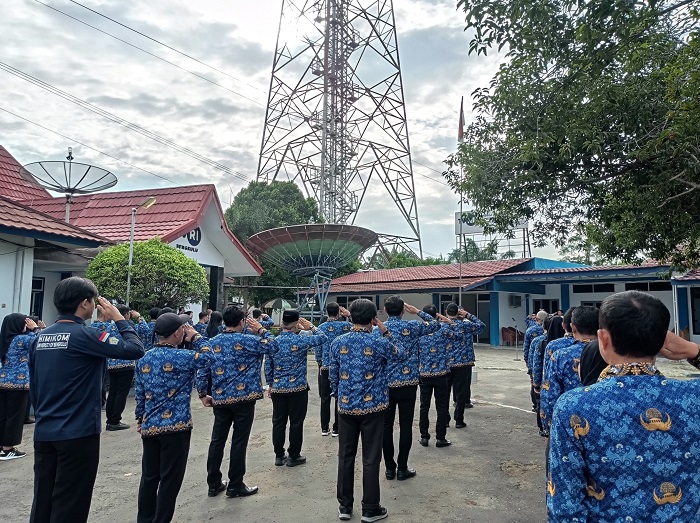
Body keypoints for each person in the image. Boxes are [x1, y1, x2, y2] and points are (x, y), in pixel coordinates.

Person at [547, 291, 700, 521]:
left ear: (603, 339)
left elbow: (566, 505)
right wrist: (694, 351)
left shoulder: (573, 407)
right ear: (662, 341)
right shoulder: (693, 395)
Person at [29, 277, 144, 523]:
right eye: (93, 301)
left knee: (43, 499)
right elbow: (134, 349)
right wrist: (120, 318)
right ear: (85, 303)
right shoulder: (87, 335)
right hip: (78, 432)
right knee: (71, 501)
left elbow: (35, 386)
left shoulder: (39, 338)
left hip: (45, 430)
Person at [329, 298, 405, 522]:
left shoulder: (338, 342)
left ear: (351, 316)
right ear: (373, 318)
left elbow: (333, 374)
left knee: (345, 456)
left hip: (346, 407)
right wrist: (385, 331)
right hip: (373, 407)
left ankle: (344, 506)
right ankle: (370, 508)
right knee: (371, 458)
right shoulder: (378, 342)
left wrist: (340, 395)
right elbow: (401, 354)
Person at [135, 313, 213, 523]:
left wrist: (140, 420)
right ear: (178, 332)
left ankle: (144, 519)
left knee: (149, 478)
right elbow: (209, 357)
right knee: (170, 480)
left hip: (150, 427)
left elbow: (140, 395)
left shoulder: (144, 359)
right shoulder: (183, 358)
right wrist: (196, 337)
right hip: (176, 427)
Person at [195, 306, 277, 499]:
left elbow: (203, 369)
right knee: (239, 441)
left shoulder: (212, 343)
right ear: (242, 322)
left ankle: (213, 484)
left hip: (220, 398)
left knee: (217, 440)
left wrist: (202, 393)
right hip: (244, 398)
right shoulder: (250, 340)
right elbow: (273, 346)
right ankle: (235, 484)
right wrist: (261, 329)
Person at [381, 295, 440, 481]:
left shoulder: (378, 330)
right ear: (403, 310)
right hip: (408, 383)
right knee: (406, 426)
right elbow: (435, 324)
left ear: (384, 310)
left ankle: (390, 468)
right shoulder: (413, 326)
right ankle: (402, 468)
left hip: (385, 385)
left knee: (386, 427)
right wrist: (418, 312)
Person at [264, 311, 327, 467]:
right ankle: (294, 455)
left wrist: (271, 384)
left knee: (278, 422)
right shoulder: (301, 340)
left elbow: (267, 366)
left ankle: (279, 455)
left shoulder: (274, 342)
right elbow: (323, 338)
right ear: (296, 323)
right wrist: (311, 326)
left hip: (278, 388)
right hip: (297, 388)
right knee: (296, 422)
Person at [417, 304, 459, 448]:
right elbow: (459, 337)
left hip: (424, 374)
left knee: (424, 406)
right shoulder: (444, 329)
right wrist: (450, 323)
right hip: (441, 374)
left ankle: (424, 437)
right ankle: (440, 438)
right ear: (436, 316)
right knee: (441, 407)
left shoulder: (420, 331)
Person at [0, 313, 38, 459]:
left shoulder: (5, 340)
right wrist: (35, 329)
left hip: (3, 381)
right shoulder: (22, 339)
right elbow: (40, 342)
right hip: (19, 383)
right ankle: (8, 448)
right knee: (15, 416)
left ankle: (2, 446)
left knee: (3, 415)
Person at [445, 303, 485, 428]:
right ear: (459, 313)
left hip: (446, 363)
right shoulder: (466, 325)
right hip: (464, 363)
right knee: (461, 393)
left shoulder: (442, 326)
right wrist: (468, 315)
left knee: (444, 393)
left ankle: (445, 420)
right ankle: (459, 420)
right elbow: (481, 326)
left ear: (446, 312)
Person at [316, 302, 351, 437]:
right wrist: (348, 316)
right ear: (338, 312)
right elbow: (361, 327)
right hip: (341, 366)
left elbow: (318, 348)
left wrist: (320, 362)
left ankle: (324, 428)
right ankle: (337, 428)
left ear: (327, 312)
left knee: (324, 398)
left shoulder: (321, 327)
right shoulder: (346, 326)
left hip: (325, 366)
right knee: (338, 397)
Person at [103, 304, 137, 431]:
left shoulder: (109, 327)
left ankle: (110, 419)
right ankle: (115, 420)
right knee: (121, 393)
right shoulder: (128, 325)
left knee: (112, 392)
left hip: (112, 363)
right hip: (126, 363)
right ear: (127, 314)